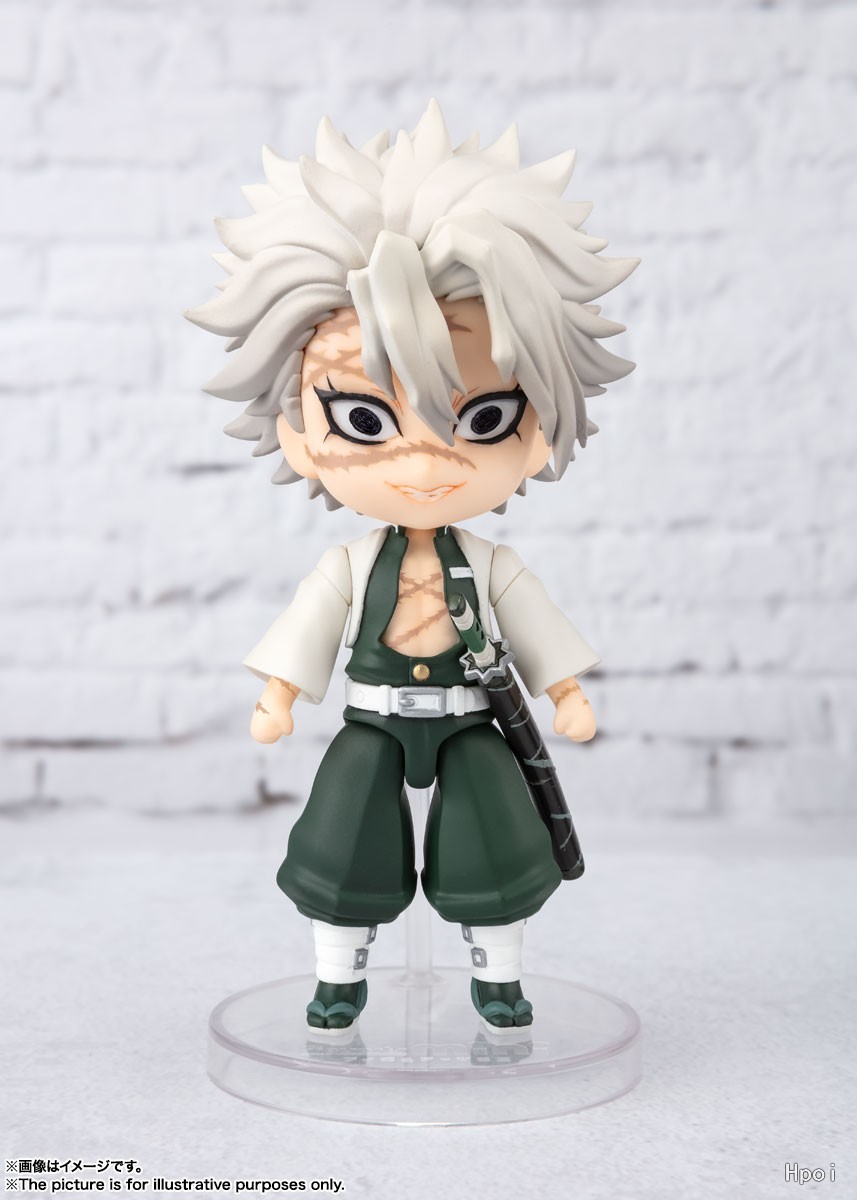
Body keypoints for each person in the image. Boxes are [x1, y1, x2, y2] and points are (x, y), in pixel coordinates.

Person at [186, 100, 637, 1034]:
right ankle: (338, 976)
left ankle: (497, 977)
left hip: (473, 722)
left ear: (537, 427)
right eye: (363, 419)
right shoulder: (352, 565)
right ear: (298, 434)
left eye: (482, 418)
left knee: (492, 849)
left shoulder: (491, 565)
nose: (425, 465)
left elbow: (535, 627)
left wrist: (564, 690)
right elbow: (310, 628)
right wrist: (279, 692)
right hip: (373, 721)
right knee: (343, 844)